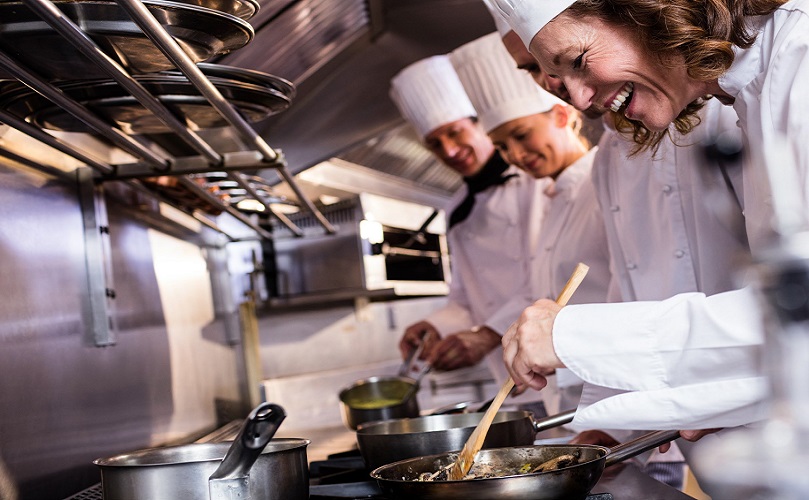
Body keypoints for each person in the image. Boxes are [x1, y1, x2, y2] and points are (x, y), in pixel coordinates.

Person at [488, 0, 808, 432]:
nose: (582, 100)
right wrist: (709, 398)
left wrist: (574, 338)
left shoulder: (800, 61)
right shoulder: (749, 91)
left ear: (649, 8)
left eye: (580, 60)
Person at [450, 32, 612, 414]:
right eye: (503, 146)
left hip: (621, 404)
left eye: (521, 136)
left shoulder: (602, 181)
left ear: (561, 115)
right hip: (578, 405)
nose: (516, 155)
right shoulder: (552, 201)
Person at [390, 55, 556, 413]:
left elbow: (549, 279)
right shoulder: (456, 208)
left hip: (561, 362)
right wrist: (433, 327)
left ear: (480, 124)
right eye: (435, 143)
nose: (449, 150)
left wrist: (487, 334)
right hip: (513, 379)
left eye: (454, 132)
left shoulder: (538, 183)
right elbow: (465, 298)